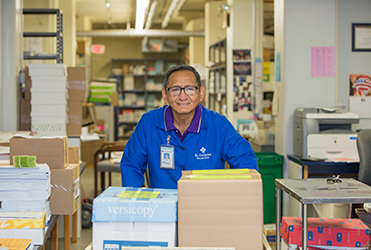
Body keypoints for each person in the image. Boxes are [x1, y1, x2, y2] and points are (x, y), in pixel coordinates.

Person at [120, 64, 258, 189]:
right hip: (163, 208)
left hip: (206, 206)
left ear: (201, 93)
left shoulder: (218, 124)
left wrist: (235, 198)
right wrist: (137, 201)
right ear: (165, 95)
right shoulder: (148, 123)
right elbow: (131, 165)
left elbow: (245, 161)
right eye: (175, 90)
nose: (182, 96)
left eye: (190, 89)